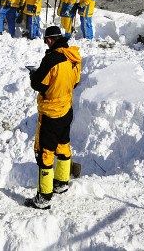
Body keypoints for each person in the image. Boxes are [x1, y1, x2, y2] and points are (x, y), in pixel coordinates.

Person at [26, 25, 82, 209]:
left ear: (50, 40)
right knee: (63, 145)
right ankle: (62, 182)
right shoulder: (73, 56)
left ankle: (44, 196)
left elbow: (39, 84)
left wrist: (34, 74)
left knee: (45, 153)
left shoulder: (51, 59)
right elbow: (76, 81)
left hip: (51, 112)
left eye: (45, 41)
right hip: (67, 108)